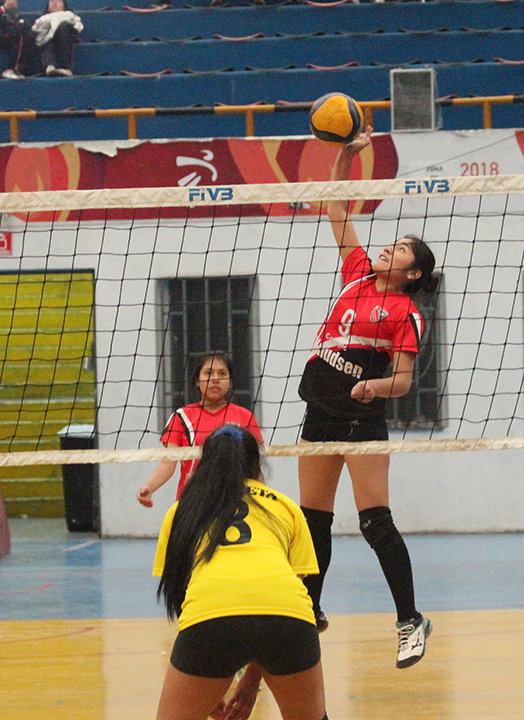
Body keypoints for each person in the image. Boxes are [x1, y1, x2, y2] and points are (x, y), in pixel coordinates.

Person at [296, 126, 439, 669]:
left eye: (399, 249)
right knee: (312, 520)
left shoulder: (407, 313)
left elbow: (401, 381)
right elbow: (335, 205)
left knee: (375, 521)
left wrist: (373, 386)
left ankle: (410, 621)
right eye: (391, 242)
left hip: (360, 420)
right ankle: (308, 610)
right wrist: (345, 155)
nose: (387, 247)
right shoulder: (356, 274)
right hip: (319, 410)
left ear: (413, 271)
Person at [153, 424, 327, 720]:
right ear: (258, 466)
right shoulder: (285, 507)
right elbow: (296, 589)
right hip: (288, 618)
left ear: (205, 465)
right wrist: (251, 680)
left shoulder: (182, 510)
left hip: (211, 618)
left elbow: (182, 597)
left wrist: (206, 683)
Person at [137, 351, 262, 508]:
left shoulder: (244, 416)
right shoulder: (181, 417)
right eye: (208, 373)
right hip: (193, 503)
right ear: (197, 380)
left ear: (230, 382)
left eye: (222, 374)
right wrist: (148, 487)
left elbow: (255, 466)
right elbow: (168, 463)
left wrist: (266, 505)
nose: (215, 379)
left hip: (235, 502)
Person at [31, 0, 82, 77]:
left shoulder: (70, 15)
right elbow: (36, 30)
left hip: (65, 37)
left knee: (63, 27)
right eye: (52, 1)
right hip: (48, 38)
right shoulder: (42, 19)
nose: (55, 3)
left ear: (64, 5)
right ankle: (49, 66)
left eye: (58, 1)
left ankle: (66, 67)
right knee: (47, 38)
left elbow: (78, 27)